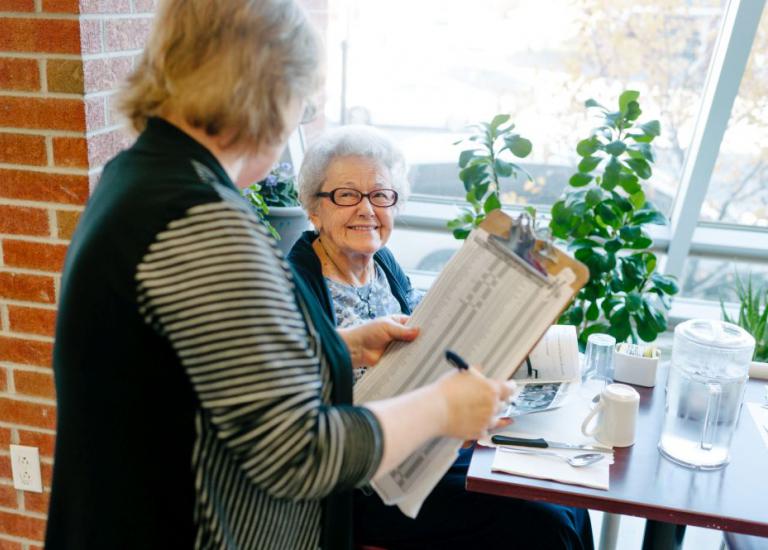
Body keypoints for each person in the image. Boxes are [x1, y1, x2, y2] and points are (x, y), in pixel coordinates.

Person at [45, 2, 514, 549]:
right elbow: (302, 454)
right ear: (267, 89)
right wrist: (444, 406)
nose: (297, 117)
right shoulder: (205, 222)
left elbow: (199, 371)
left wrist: (341, 346)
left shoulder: (137, 180)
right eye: (302, 98)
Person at [288, 125, 595, 549]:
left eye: (380, 195)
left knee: (566, 498)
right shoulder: (293, 285)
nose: (367, 209)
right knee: (544, 523)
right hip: (365, 475)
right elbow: (299, 411)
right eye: (346, 194)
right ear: (313, 208)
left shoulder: (385, 265)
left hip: (427, 443)